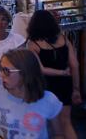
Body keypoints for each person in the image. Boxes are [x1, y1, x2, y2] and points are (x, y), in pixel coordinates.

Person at [27, 10, 82, 139]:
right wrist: (76, 89)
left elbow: (40, 69)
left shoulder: (33, 44)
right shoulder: (63, 38)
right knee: (66, 123)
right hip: (65, 85)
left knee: (49, 126)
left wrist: (61, 73)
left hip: (46, 86)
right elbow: (75, 65)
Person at [0, 49, 63, 139]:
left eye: (6, 71)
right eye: (1, 69)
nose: (1, 75)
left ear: (25, 73)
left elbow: (59, 134)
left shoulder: (49, 100)